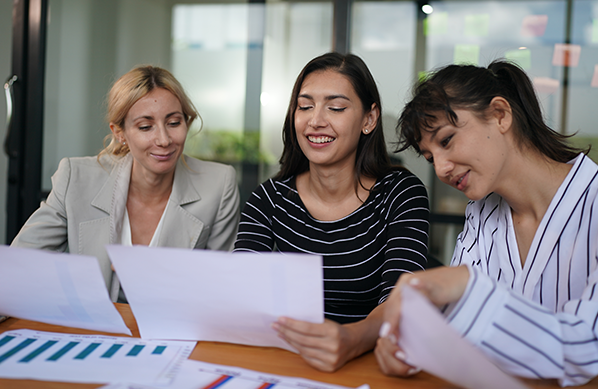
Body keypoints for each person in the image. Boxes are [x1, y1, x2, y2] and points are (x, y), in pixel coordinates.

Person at [375, 60, 598, 387]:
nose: (441, 169)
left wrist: (466, 285)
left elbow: (587, 350)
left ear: (500, 115)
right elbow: (454, 331)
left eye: (447, 140)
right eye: (430, 157)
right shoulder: (482, 214)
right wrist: (408, 343)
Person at [234, 52, 430, 372]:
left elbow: (400, 299)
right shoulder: (268, 198)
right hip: (284, 361)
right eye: (305, 106)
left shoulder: (400, 193)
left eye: (336, 107)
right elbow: (242, 293)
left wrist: (352, 339)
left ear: (369, 119)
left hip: (370, 365)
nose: (315, 121)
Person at [11, 65, 241, 302]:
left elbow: (223, 287)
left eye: (174, 122)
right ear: (119, 132)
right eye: (145, 127)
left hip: (175, 330)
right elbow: (19, 266)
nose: (164, 140)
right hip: (96, 330)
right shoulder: (76, 177)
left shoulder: (218, 185)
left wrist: (165, 279)